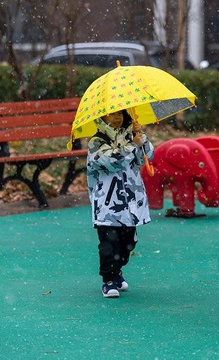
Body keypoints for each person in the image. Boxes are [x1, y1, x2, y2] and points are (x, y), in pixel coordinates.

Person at [86, 110, 154, 298]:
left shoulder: (131, 136)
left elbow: (147, 157)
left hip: (130, 202)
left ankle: (117, 271)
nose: (117, 118)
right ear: (102, 118)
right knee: (109, 244)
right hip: (107, 204)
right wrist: (133, 145)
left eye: (120, 114)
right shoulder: (96, 142)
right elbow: (113, 161)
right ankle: (109, 279)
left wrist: (142, 139)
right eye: (111, 114)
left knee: (128, 243)